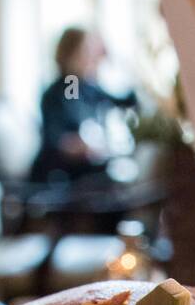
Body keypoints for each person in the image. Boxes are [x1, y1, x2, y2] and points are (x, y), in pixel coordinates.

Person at [30, 26, 137, 186]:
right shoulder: (68, 85)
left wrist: (116, 63)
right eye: (87, 50)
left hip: (82, 174)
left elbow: (128, 101)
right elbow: (63, 133)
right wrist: (84, 145)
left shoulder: (85, 87)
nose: (92, 57)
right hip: (60, 178)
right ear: (71, 54)